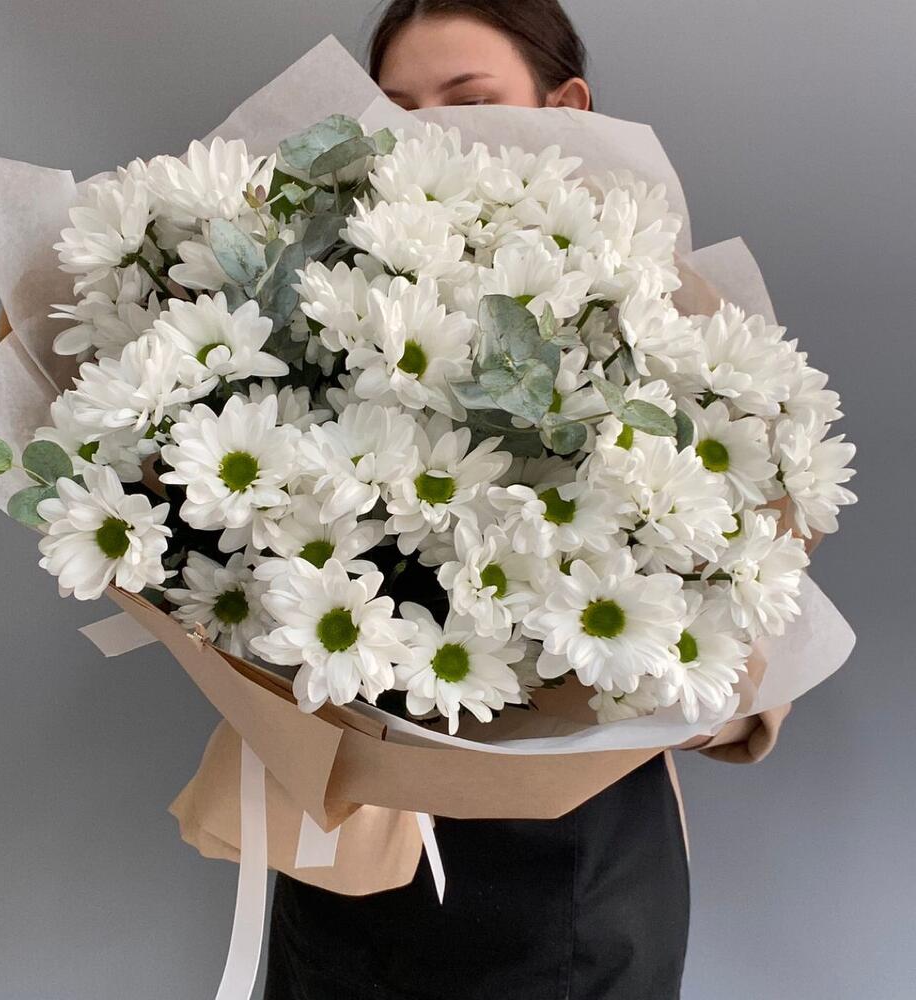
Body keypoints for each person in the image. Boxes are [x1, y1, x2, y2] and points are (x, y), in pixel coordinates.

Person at [263, 2, 798, 997]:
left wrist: (667, 689)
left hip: (566, 874)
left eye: (468, 102)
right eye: (397, 109)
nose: (428, 132)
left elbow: (750, 643)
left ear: (565, 107)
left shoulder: (659, 316)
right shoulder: (315, 302)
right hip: (348, 857)